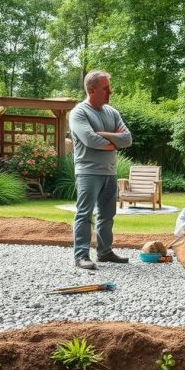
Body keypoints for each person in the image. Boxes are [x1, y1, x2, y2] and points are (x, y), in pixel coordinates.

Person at [68, 70, 133, 270]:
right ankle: (81, 256)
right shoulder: (79, 112)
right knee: (84, 214)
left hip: (109, 172)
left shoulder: (112, 112)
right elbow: (90, 140)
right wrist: (114, 139)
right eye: (106, 88)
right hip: (88, 172)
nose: (110, 92)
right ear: (91, 89)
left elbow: (127, 139)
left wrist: (104, 135)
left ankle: (104, 252)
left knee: (107, 215)